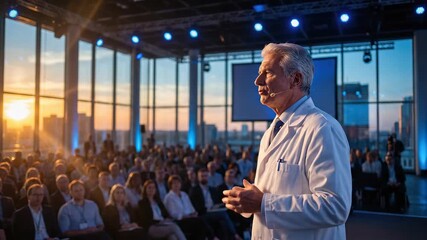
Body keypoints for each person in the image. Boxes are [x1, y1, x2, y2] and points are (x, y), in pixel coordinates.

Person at [222, 43, 351, 239]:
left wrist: (263, 203)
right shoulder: (271, 132)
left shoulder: (322, 128)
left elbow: (335, 207)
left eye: (267, 73)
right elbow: (275, 192)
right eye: (259, 73)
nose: (257, 81)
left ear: (295, 79)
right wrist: (249, 200)